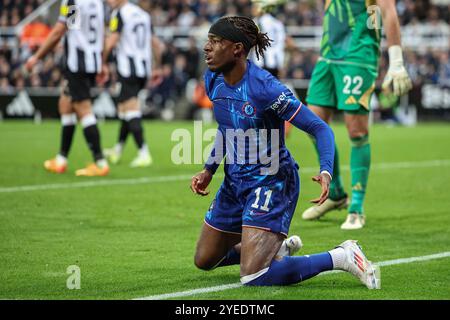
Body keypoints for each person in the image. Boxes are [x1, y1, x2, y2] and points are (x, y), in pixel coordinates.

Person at [190, 16, 380, 289]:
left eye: (216, 41)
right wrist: (209, 169)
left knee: (254, 276)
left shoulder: (265, 88)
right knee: (205, 259)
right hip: (235, 181)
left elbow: (319, 127)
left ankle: (342, 256)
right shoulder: (213, 78)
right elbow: (227, 126)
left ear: (237, 50)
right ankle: (273, 251)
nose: (207, 47)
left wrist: (326, 169)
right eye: (209, 40)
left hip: (272, 180)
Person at [302, 0, 413, 229]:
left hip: (358, 56)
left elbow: (388, 10)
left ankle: (356, 207)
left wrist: (396, 61)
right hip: (328, 55)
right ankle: (336, 193)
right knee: (313, 124)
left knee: (356, 131)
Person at [25, 0, 109, 176]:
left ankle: (100, 162)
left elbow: (60, 31)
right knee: (65, 104)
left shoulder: (74, 1)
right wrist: (101, 62)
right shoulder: (98, 2)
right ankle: (61, 159)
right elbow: (100, 32)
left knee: (83, 109)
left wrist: (36, 57)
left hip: (77, 63)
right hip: (90, 61)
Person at [101, 0, 163, 168]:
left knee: (130, 110)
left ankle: (143, 153)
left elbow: (112, 40)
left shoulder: (119, 14)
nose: (109, 1)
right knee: (124, 109)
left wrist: (102, 61)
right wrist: (157, 67)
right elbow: (156, 43)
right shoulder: (143, 14)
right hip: (143, 68)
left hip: (128, 69)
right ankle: (118, 149)